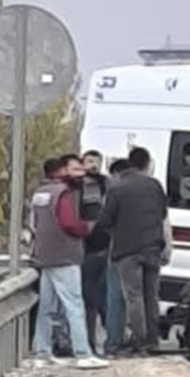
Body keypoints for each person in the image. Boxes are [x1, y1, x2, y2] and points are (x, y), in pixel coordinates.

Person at [29, 154, 108, 370]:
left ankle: (42, 352)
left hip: (44, 255)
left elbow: (33, 223)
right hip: (65, 255)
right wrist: (86, 229)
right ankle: (83, 353)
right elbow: (69, 223)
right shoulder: (63, 193)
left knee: (46, 306)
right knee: (74, 304)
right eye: (76, 170)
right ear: (62, 171)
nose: (81, 174)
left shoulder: (40, 193)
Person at [96, 146, 170, 355]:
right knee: (151, 296)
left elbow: (104, 220)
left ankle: (140, 341)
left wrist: (114, 230)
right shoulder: (155, 186)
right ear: (147, 163)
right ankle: (153, 340)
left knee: (134, 296)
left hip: (127, 250)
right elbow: (162, 214)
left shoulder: (117, 188)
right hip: (153, 248)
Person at [78, 150, 111, 353]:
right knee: (89, 298)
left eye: (97, 162)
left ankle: (110, 339)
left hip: (106, 247)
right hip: (86, 249)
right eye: (89, 161)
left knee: (105, 299)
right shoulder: (77, 187)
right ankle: (89, 341)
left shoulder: (106, 184)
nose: (93, 166)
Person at [102, 158, 131, 353]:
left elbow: (105, 221)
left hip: (117, 250)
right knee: (137, 297)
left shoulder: (114, 192)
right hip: (144, 250)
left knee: (114, 299)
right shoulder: (150, 188)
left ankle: (113, 342)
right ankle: (138, 340)